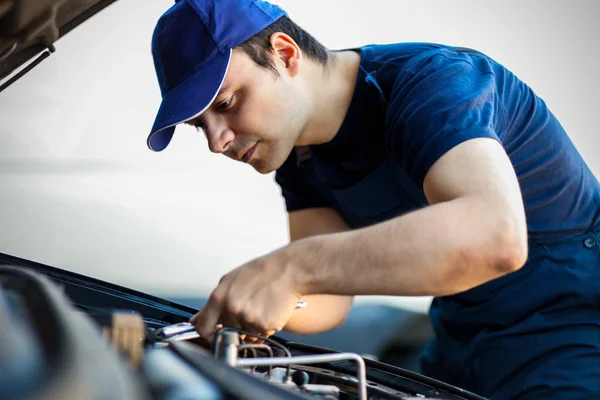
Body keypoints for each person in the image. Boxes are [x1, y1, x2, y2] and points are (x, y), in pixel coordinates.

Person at [146, 0, 600, 398]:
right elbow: (328, 301)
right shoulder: (298, 153)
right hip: (463, 339)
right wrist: (252, 301)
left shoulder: (433, 87)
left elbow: (495, 239)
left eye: (224, 104)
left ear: (284, 55)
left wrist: (290, 268)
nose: (215, 141)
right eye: (198, 125)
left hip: (573, 330)